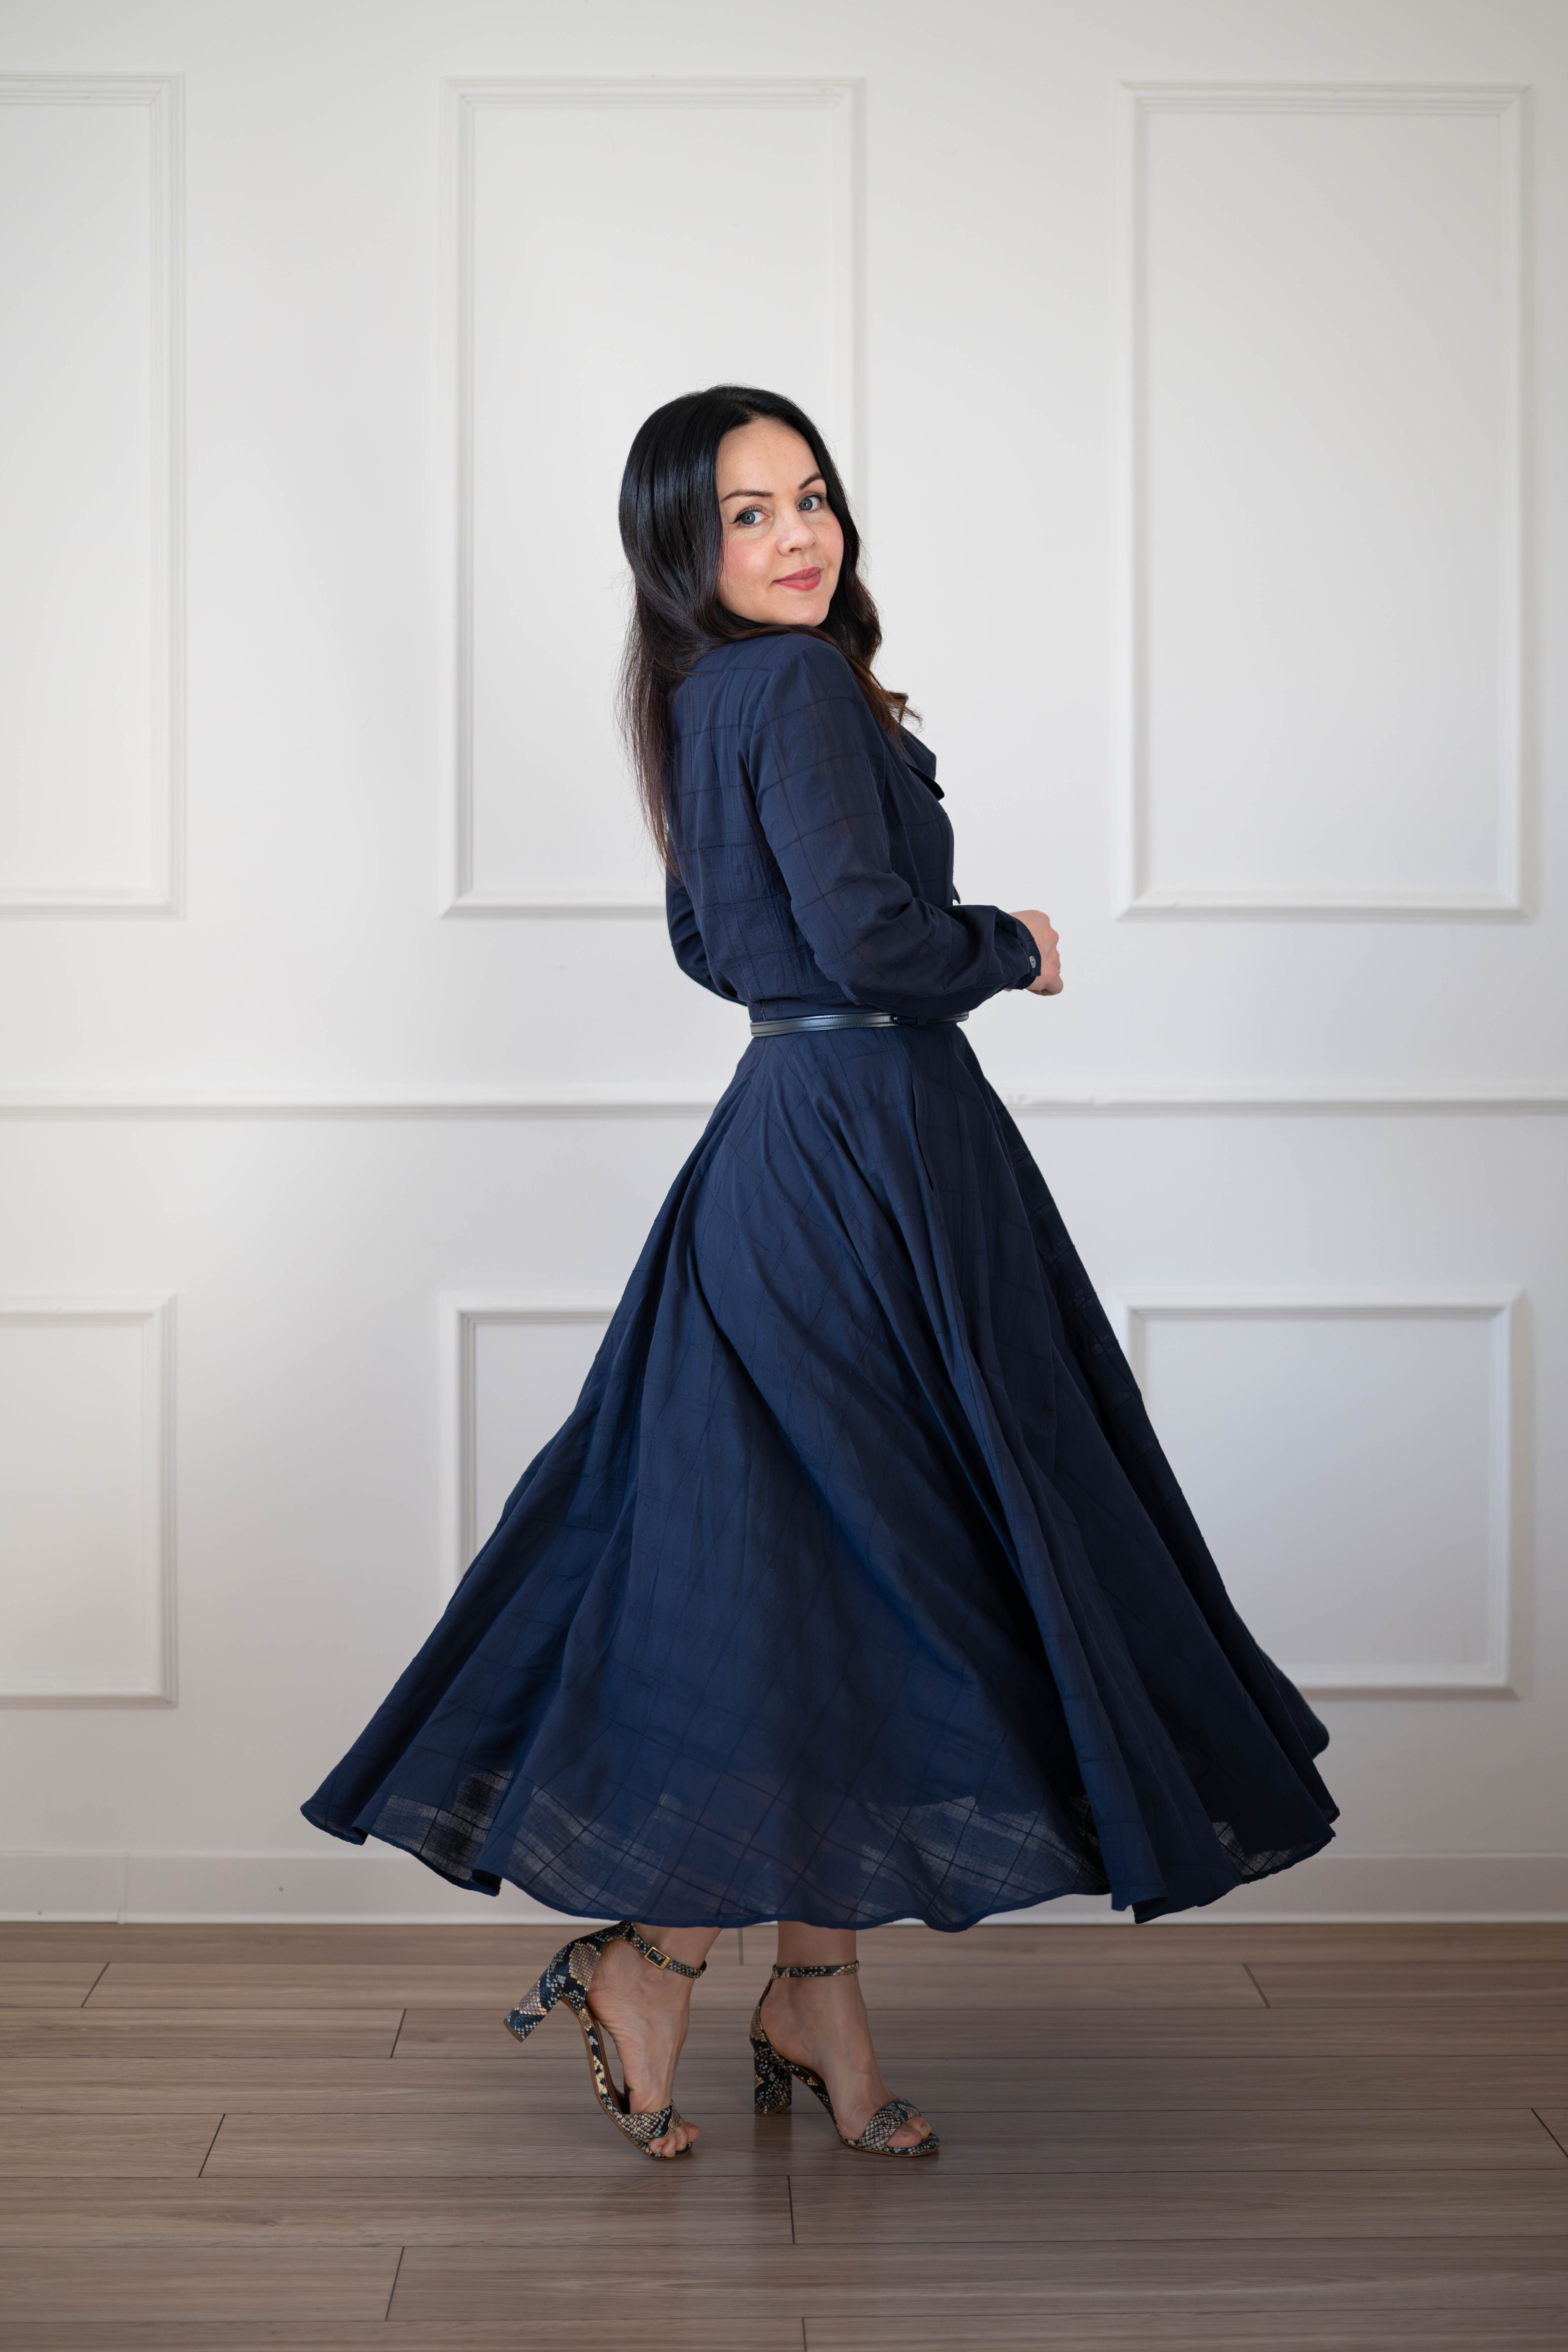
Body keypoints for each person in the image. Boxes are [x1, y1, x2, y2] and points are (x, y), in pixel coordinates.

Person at [303, 384, 1336, 2163]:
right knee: (879, 1567)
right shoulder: (790, 687)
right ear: (684, 549)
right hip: (869, 1147)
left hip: (796, 1138)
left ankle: (803, 1990)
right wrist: (1004, 943)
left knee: (825, 1576)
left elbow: (717, 947)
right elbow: (866, 936)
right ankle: (661, 1960)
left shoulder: (708, 696)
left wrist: (886, 977)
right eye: (749, 514)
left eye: (813, 498)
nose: (797, 537)